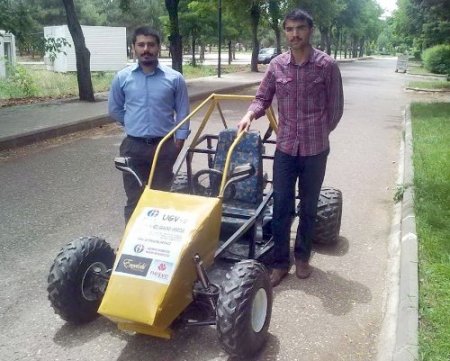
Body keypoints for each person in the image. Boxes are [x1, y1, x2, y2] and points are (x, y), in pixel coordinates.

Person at [238, 9, 344, 286]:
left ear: (310, 30)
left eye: (300, 28)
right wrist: (250, 115)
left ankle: (303, 257)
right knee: (282, 204)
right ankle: (280, 262)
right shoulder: (277, 65)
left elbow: (335, 109)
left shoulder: (326, 66)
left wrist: (320, 132)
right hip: (285, 148)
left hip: (315, 150)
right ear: (285, 32)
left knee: (309, 206)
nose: (294, 34)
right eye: (289, 29)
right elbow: (262, 98)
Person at [108, 26, 190, 223]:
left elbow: (183, 113)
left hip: (163, 147)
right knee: (134, 200)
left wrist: (178, 142)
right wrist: (132, 124)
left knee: (160, 199)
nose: (146, 49)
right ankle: (131, 245)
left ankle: (157, 245)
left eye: (151, 44)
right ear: (134, 48)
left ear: (158, 47)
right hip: (132, 148)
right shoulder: (122, 78)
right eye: (141, 44)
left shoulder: (175, 78)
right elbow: (114, 109)